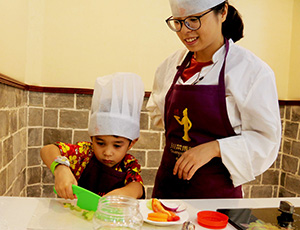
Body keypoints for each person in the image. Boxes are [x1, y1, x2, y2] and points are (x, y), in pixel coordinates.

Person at [146, 0, 281, 198]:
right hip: (167, 191)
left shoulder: (251, 71)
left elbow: (265, 141)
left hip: (216, 197)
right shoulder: (170, 66)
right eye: (178, 22)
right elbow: (159, 117)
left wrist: (215, 148)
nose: (185, 31)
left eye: (194, 19)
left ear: (223, 11)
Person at [41, 72, 145, 199]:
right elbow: (47, 150)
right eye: (100, 143)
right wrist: (60, 168)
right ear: (92, 138)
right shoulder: (84, 154)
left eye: (117, 145)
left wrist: (120, 196)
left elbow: (137, 188)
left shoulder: (128, 164)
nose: (107, 152)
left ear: (132, 143)